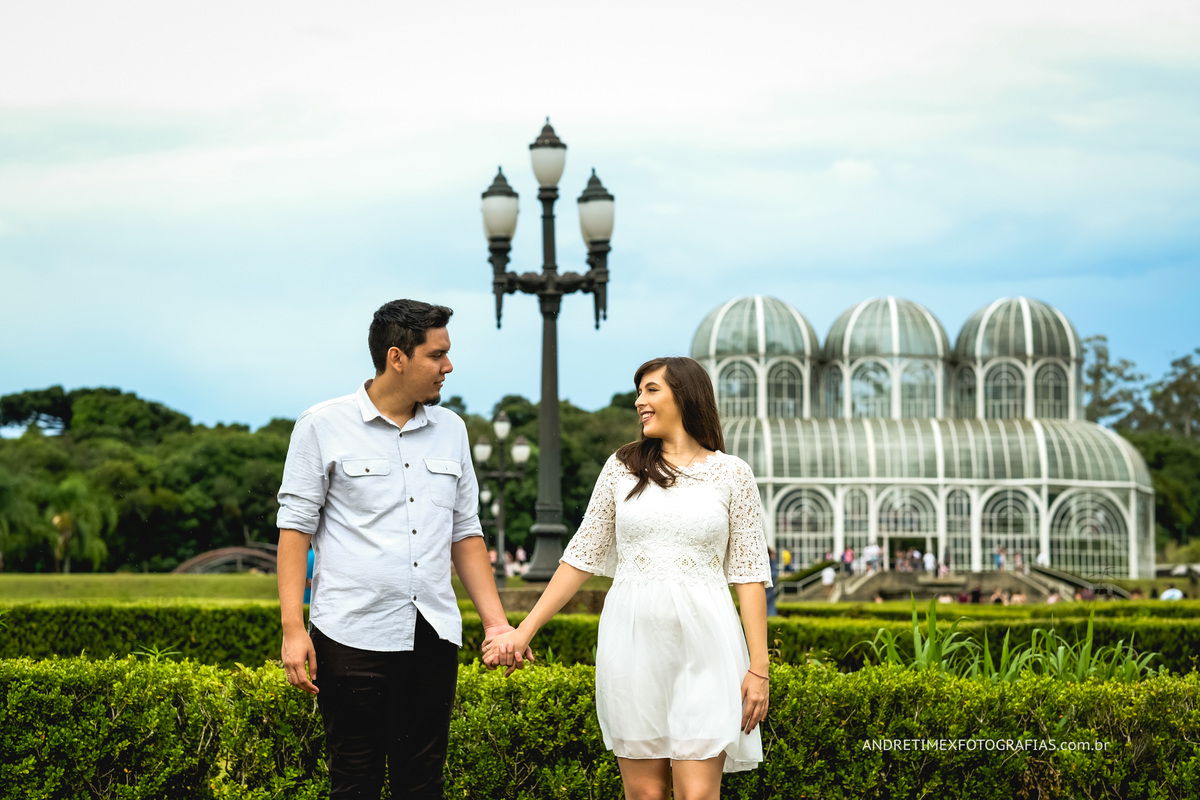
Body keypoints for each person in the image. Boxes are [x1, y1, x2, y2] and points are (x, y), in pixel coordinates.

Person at [276, 299, 530, 799]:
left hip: (432, 634)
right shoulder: (321, 426)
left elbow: (466, 532)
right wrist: (291, 630)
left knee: (423, 784)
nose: (448, 367)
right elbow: (294, 529)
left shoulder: (452, 430)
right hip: (349, 634)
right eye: (437, 355)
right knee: (355, 782)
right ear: (398, 357)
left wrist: (497, 623)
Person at [484, 356, 771, 799]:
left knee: (697, 794)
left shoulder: (733, 474)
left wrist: (759, 669)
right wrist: (524, 631)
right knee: (646, 795)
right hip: (631, 643)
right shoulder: (622, 467)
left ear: (686, 395)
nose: (640, 401)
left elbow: (749, 575)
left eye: (651, 390)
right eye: (639, 392)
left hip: (708, 647)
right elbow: (579, 558)